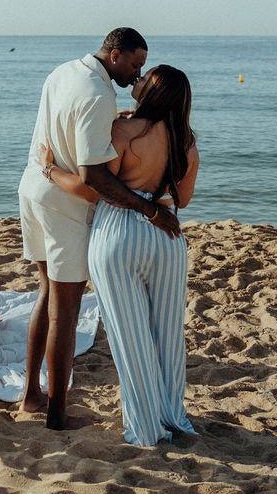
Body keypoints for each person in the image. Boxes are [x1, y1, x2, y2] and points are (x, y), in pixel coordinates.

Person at [18, 29, 181, 430]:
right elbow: (94, 179)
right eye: (135, 63)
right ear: (115, 55)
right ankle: (57, 416)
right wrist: (150, 210)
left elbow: (74, 127)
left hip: (33, 189)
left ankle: (31, 396)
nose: (137, 72)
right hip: (65, 206)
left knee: (46, 293)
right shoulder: (99, 95)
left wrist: (120, 118)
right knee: (66, 313)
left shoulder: (65, 72)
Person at [39, 64, 198, 446]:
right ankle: (171, 415)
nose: (137, 79)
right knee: (167, 336)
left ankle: (145, 429)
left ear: (154, 92)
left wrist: (49, 170)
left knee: (131, 339)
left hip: (119, 235)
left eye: (146, 78)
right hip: (167, 238)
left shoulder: (121, 131)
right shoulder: (186, 141)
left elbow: (93, 187)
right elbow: (185, 200)